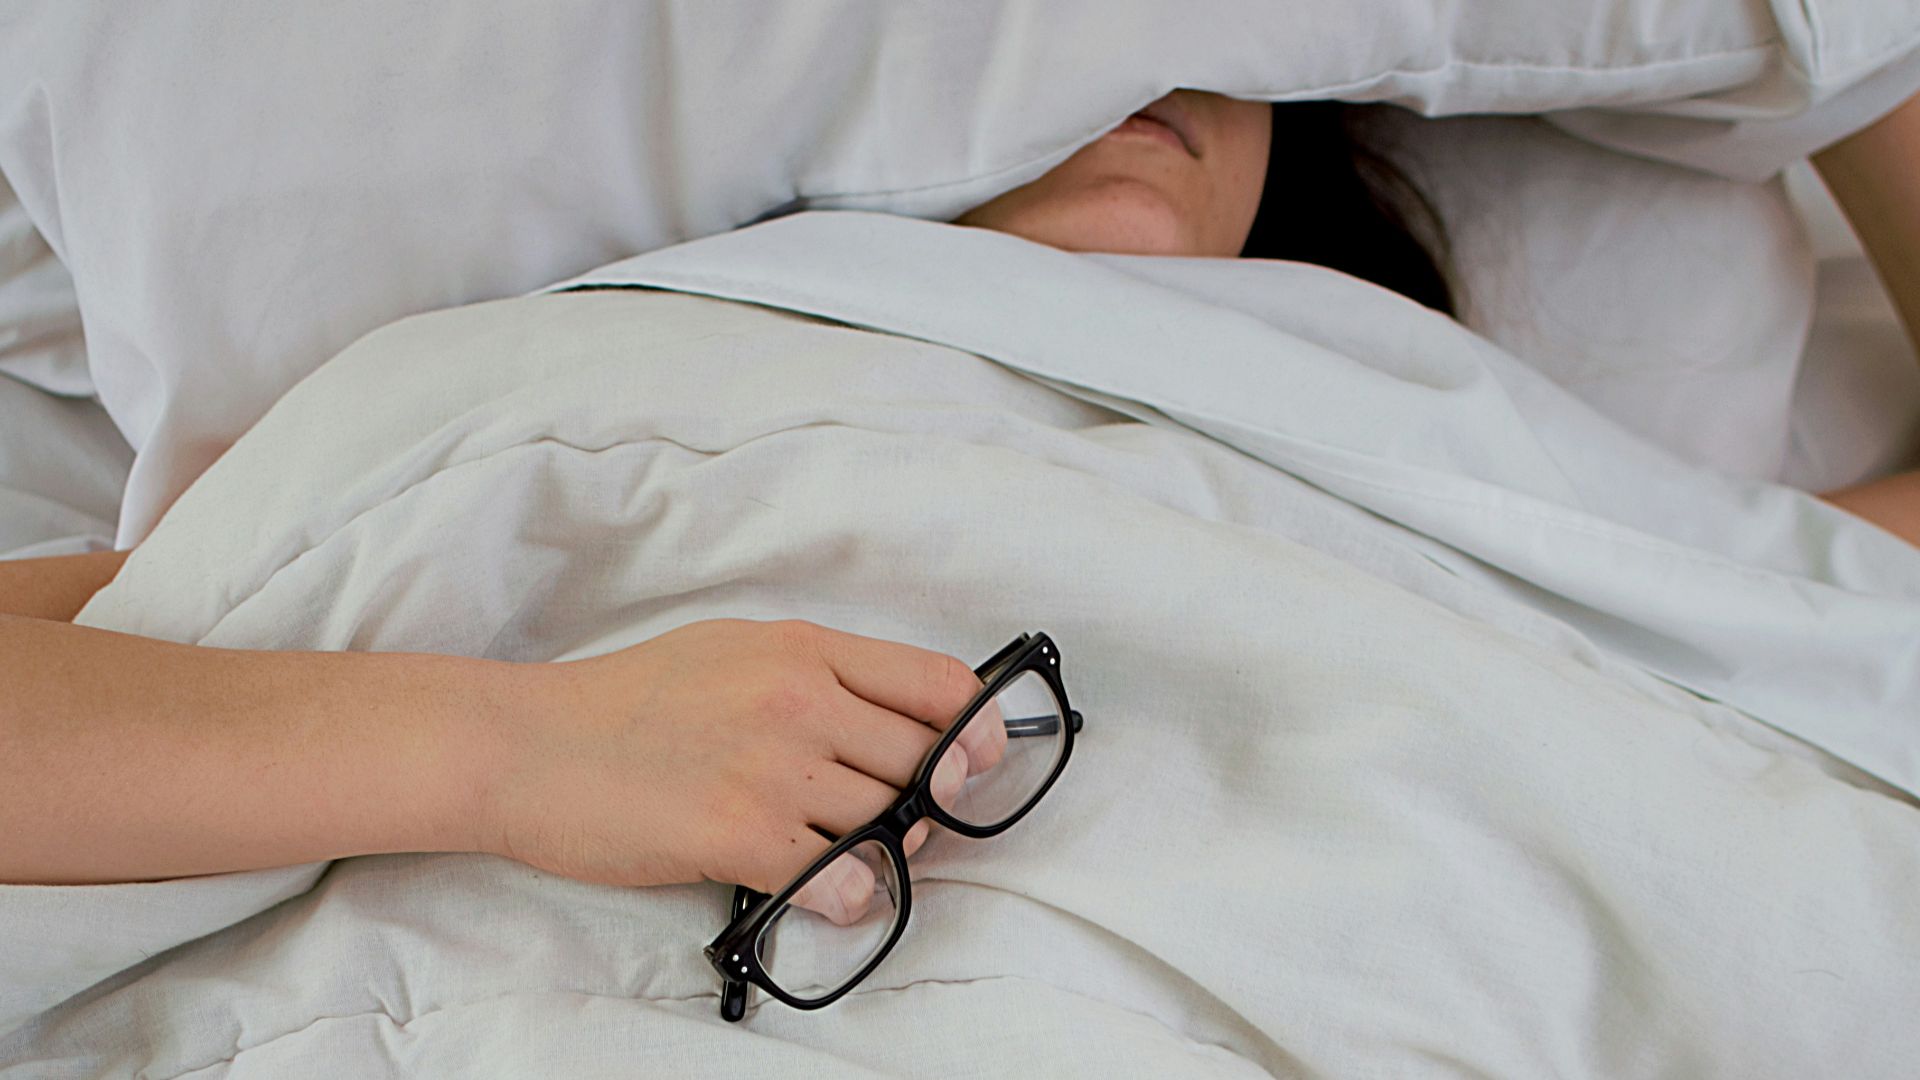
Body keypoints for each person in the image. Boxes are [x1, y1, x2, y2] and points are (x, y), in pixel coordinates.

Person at [3, 89, 1916, 919]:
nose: (1128, 76)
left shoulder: (1461, 449)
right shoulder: (593, 389)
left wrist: (1846, 48)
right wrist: (515, 751)